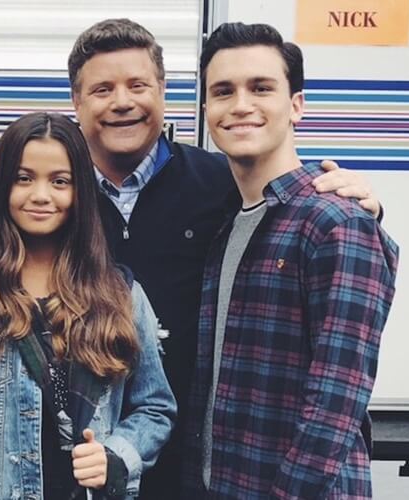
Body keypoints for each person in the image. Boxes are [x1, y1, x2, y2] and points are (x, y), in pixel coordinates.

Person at [66, 18, 383, 498]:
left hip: (210, 466)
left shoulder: (223, 186)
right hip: (105, 460)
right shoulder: (57, 197)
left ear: (163, 92)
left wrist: (366, 210)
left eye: (138, 85)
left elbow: (336, 392)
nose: (122, 101)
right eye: (102, 89)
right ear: (76, 101)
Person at [182, 23, 398, 498]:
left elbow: (335, 402)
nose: (241, 105)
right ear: (206, 109)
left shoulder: (336, 223)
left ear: (296, 105)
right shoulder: (227, 227)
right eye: (223, 91)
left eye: (261, 88)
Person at [0, 112, 176, 499]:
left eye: (60, 181)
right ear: (1, 185)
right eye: (23, 178)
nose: (41, 195)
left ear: (80, 191)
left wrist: (115, 455)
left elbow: (155, 407)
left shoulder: (120, 295)